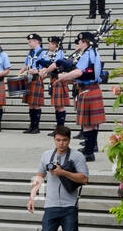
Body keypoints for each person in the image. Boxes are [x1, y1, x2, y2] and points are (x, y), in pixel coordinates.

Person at [27, 127, 89, 231]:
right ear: (54, 139)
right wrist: (32, 197)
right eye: (58, 140)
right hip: (51, 206)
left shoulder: (77, 156)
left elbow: (84, 179)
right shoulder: (46, 155)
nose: (61, 143)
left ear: (69, 140)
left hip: (70, 207)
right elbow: (39, 176)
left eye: (64, 140)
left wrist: (63, 172)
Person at [58, 31, 106, 162]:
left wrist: (64, 76)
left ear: (85, 42)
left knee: (87, 124)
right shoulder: (94, 53)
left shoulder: (86, 55)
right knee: (93, 124)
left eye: (79, 42)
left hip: (87, 90)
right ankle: (90, 149)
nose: (78, 44)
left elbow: (79, 72)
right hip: (94, 88)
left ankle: (89, 152)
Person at [43, 35, 70, 133]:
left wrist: (45, 71)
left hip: (59, 81)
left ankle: (61, 129)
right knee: (57, 106)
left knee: (60, 106)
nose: (48, 45)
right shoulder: (55, 53)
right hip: (54, 79)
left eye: (50, 43)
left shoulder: (60, 52)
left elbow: (55, 65)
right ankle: (58, 129)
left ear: (55, 44)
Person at [22, 33, 48, 135]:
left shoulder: (43, 53)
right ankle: (31, 125)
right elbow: (27, 64)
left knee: (36, 104)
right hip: (29, 78)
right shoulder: (30, 53)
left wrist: (36, 71)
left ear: (37, 41)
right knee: (30, 104)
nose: (29, 43)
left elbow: (46, 67)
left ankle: (36, 127)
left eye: (30, 42)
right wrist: (22, 70)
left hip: (36, 78)